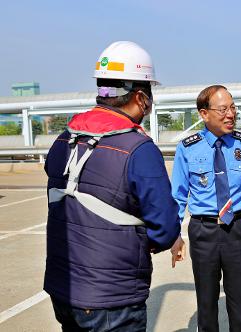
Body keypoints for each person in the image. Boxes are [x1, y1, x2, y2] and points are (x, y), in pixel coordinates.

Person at [44, 41, 182, 331]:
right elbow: (165, 228)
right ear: (142, 97)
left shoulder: (65, 138)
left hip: (64, 289)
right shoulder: (138, 148)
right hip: (113, 298)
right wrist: (139, 242)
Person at [170, 84, 241, 332]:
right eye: (223, 109)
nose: (231, 114)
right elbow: (179, 196)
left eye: (233, 108)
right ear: (204, 114)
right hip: (203, 232)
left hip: (238, 228)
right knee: (206, 303)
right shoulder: (187, 148)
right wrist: (174, 235)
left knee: (239, 303)